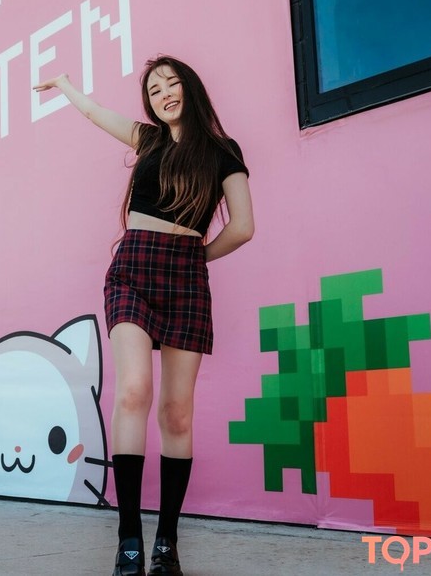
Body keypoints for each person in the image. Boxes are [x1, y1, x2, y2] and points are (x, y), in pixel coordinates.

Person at [34, 56, 255, 576]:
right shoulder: (148, 140)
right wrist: (65, 84)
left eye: (172, 84)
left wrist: (196, 256)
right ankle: (129, 539)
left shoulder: (223, 151)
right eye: (155, 90)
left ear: (190, 89)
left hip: (185, 278)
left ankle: (167, 543)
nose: (164, 94)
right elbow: (95, 113)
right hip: (132, 269)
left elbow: (243, 226)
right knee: (133, 391)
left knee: (177, 412)